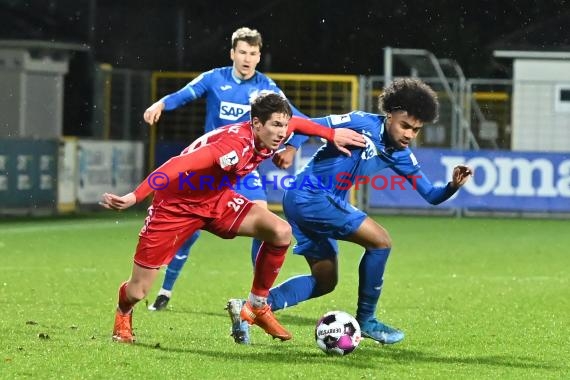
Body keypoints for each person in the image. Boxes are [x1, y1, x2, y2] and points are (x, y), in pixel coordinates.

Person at [101, 93, 365, 344]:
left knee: (280, 231)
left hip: (217, 201)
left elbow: (298, 123)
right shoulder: (233, 145)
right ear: (256, 124)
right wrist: (135, 196)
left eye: (283, 125)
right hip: (176, 208)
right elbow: (176, 165)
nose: (282, 132)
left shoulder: (274, 131)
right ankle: (123, 312)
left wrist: (331, 135)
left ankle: (258, 305)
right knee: (137, 291)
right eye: (276, 125)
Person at [227, 78, 473, 345]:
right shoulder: (360, 122)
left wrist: (452, 186)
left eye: (416, 130)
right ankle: (366, 320)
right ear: (389, 114)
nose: (409, 135)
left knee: (325, 280)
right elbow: (302, 123)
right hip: (311, 195)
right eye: (405, 125)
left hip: (315, 202)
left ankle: (250, 308)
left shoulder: (402, 155)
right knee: (381, 241)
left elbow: (431, 195)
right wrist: (292, 147)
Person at [142, 27, 306, 318]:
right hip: (213, 168)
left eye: (253, 53)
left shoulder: (267, 88)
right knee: (187, 233)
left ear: (259, 57)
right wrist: (161, 103)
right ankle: (165, 291)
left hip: (245, 169)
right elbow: (184, 95)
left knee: (267, 225)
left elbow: (297, 119)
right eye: (242, 52)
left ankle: (260, 297)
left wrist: (292, 148)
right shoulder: (214, 78)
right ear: (232, 54)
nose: (247, 58)